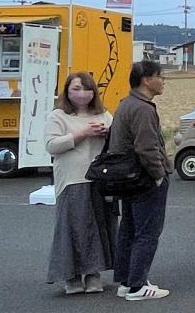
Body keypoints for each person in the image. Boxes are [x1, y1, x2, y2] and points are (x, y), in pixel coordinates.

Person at [45, 72, 117, 294]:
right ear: (66, 91)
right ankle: (71, 277)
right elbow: (51, 145)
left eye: (87, 89)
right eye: (75, 88)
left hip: (98, 179)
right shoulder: (58, 116)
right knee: (71, 228)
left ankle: (93, 274)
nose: (82, 93)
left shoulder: (104, 115)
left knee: (98, 227)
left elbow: (118, 142)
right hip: (71, 180)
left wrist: (107, 134)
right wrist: (82, 133)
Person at [109, 60, 171, 301]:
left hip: (128, 178)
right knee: (147, 232)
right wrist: (158, 175)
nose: (163, 81)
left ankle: (126, 281)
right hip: (144, 178)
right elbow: (147, 148)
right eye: (160, 76)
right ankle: (137, 286)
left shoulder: (126, 104)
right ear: (147, 79)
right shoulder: (144, 108)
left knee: (129, 229)